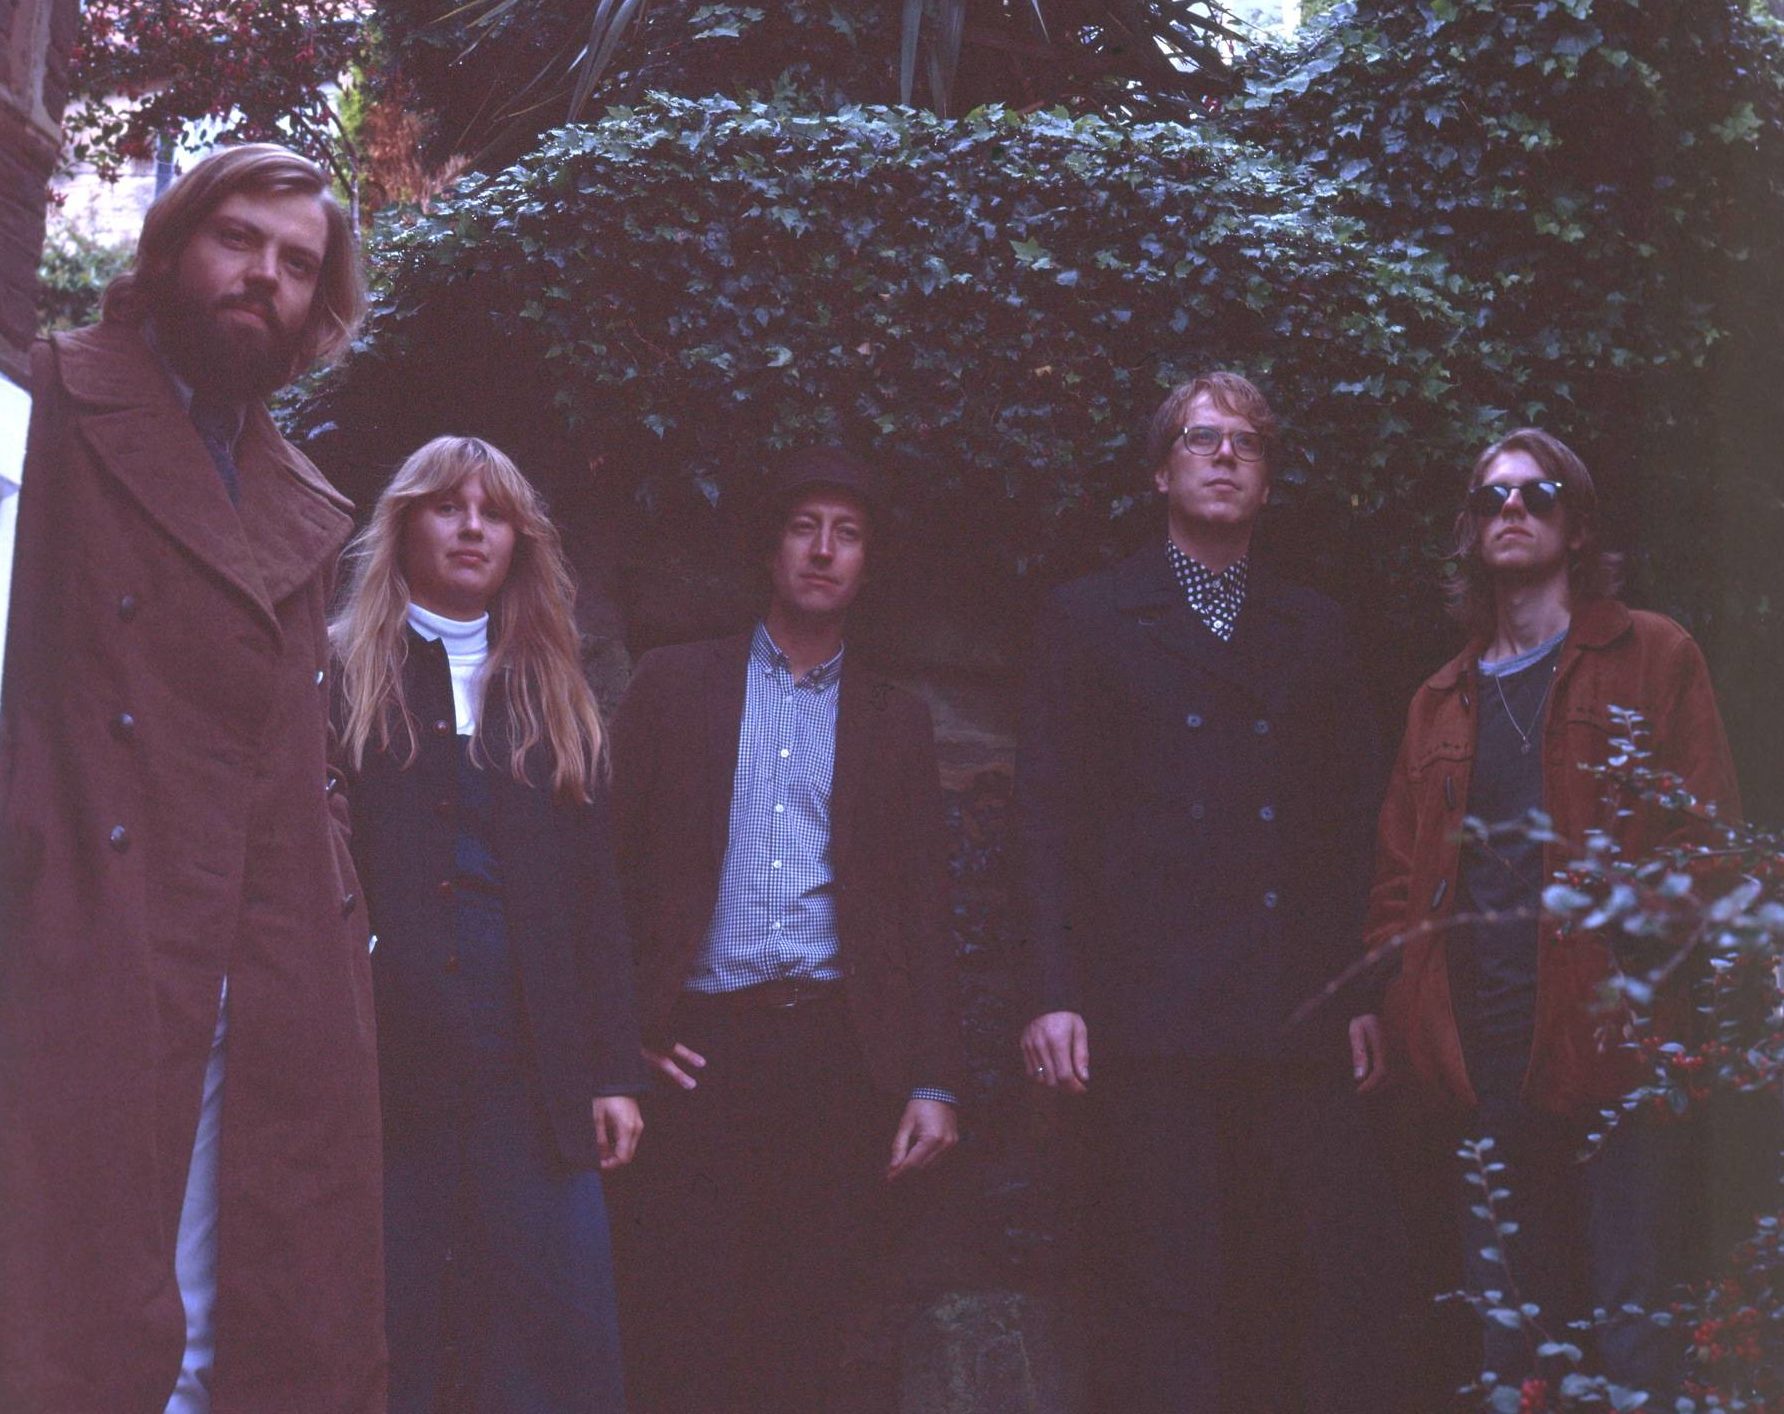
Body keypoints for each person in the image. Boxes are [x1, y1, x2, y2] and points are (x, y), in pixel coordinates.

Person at [0, 144, 382, 1411]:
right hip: (84, 932)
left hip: (264, 957)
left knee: (237, 1311)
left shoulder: (299, 495)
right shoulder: (54, 402)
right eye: (238, 240)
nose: (263, 276)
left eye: (297, 264)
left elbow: (301, 748)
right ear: (170, 247)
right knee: (75, 1315)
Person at [1017, 372, 1404, 1412]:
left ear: (1267, 482)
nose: (1225, 455)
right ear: (1160, 471)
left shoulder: (1315, 626)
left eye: (1246, 442)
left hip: (1291, 1012)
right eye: (1201, 438)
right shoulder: (1087, 616)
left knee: (1287, 1276)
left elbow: (1349, 827)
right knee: (1161, 1281)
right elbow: (1047, 818)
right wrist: (1052, 991)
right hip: (1149, 1012)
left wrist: (1363, 991)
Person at [1368, 428, 1741, 1389]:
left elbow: (1706, 846)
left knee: (1632, 1324)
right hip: (1482, 1053)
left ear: (1576, 527)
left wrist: (1638, 973)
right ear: (1471, 529)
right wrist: (1409, 1003)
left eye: (1537, 494)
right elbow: (1398, 881)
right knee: (1513, 1335)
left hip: (1612, 1045)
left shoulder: (1653, 654)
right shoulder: (1438, 700)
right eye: (1492, 496)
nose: (1512, 508)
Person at [607, 445, 963, 1413]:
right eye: (804, 528)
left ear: (867, 564)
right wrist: (621, 1034)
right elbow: (605, 870)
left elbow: (925, 908)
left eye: (847, 534)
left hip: (832, 1054)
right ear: (770, 551)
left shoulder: (893, 719)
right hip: (696, 1050)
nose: (823, 549)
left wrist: (933, 1079)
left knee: (804, 1328)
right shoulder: (674, 684)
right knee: (677, 1318)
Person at [330, 436, 645, 1411]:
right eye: (448, 507)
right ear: (404, 526)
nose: (472, 529)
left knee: (549, 1326)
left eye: (494, 514)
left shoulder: (552, 689)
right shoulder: (344, 674)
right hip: (391, 1061)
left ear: (518, 542)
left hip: (534, 1064)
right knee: (401, 1316)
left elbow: (593, 900)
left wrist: (611, 1071)